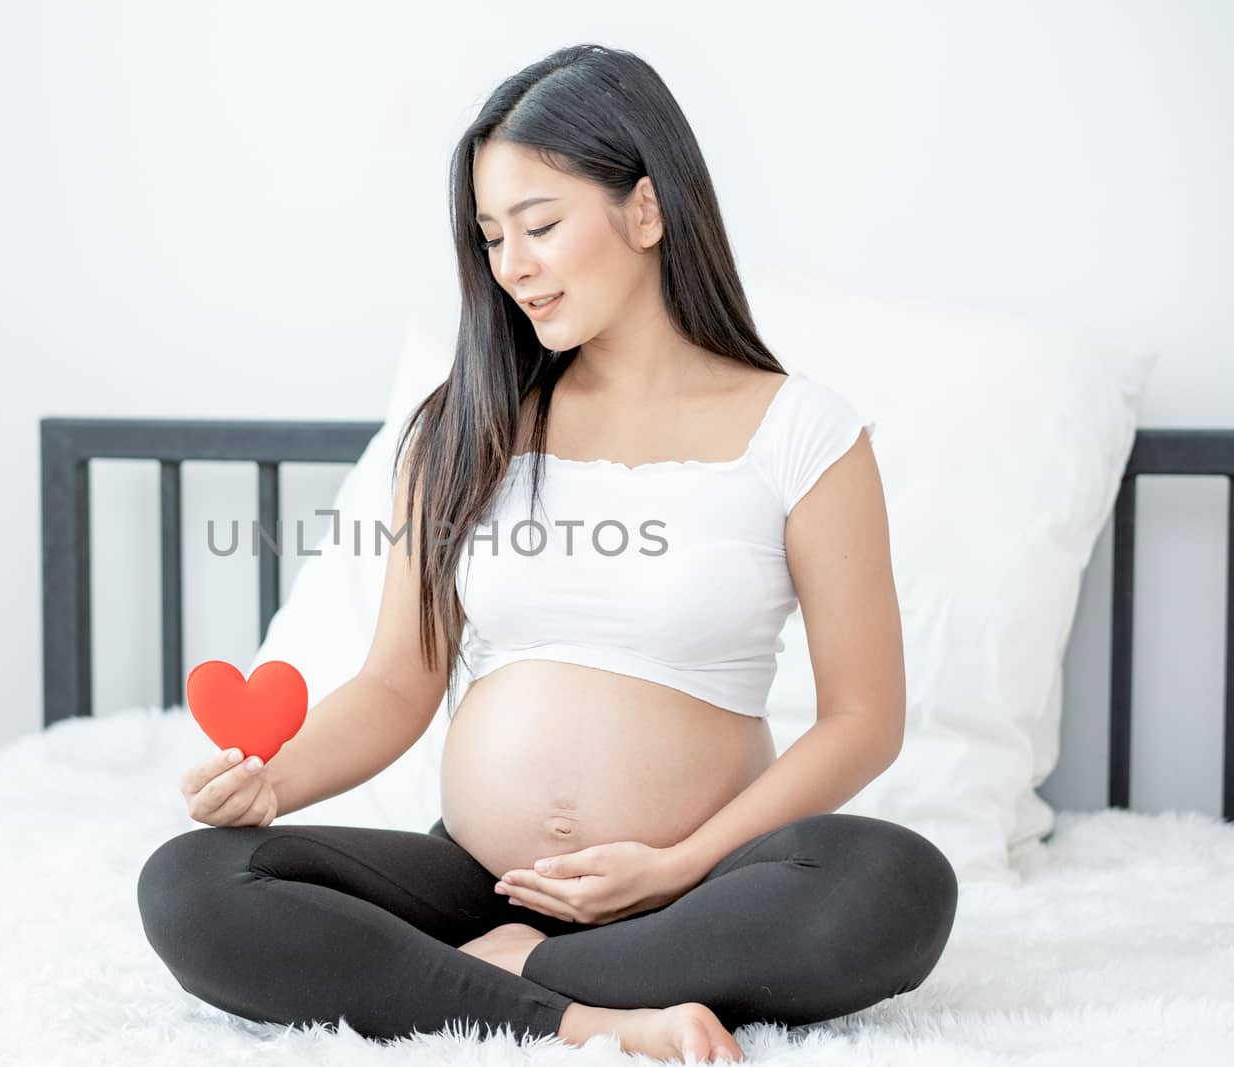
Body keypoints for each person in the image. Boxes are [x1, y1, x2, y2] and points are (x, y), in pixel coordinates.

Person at [137, 42, 957, 1065]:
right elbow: (398, 683)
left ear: (646, 210)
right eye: (489, 237)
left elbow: (862, 721)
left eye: (539, 224)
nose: (511, 265)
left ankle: (507, 977)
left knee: (896, 883)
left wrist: (677, 862)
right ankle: (580, 1012)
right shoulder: (464, 427)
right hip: (477, 879)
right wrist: (275, 783)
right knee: (192, 882)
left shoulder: (800, 434)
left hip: (696, 889)